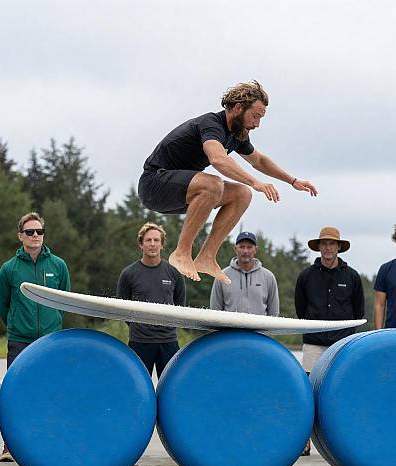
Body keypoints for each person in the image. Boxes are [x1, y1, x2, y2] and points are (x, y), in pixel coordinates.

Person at [139, 80, 317, 285]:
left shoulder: (237, 135)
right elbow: (218, 159)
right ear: (238, 108)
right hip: (154, 184)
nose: (257, 124)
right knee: (213, 184)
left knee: (242, 194)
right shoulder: (211, 124)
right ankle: (181, 253)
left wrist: (292, 180)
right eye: (255, 116)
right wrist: (255, 182)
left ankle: (206, 257)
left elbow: (259, 160)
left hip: (178, 192)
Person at [0, 212, 71, 462]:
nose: (35, 236)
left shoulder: (58, 265)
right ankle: (9, 446)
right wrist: (18, 325)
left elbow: (65, 300)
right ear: (20, 236)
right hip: (20, 340)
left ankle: (51, 441)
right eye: (30, 232)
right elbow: (2, 303)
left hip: (51, 341)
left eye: (39, 232)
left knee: (52, 390)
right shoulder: (9, 268)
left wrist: (53, 322)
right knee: (16, 393)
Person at [295, 226, 364, 455]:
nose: (327, 248)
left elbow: (358, 311)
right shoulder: (306, 275)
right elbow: (300, 308)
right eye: (324, 243)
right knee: (306, 390)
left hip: (342, 342)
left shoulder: (352, 276)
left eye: (332, 244)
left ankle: (346, 439)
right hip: (314, 340)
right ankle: (304, 439)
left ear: (338, 247)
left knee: (342, 389)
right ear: (319, 247)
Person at [117, 222, 186, 379]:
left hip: (168, 342)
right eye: (148, 240)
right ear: (141, 244)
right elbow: (122, 307)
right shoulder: (128, 274)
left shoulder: (174, 273)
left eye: (156, 240)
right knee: (137, 384)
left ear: (162, 245)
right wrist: (140, 325)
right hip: (139, 342)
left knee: (170, 386)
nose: (152, 244)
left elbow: (180, 305)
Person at [210, 231, 279, 316]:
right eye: (242, 247)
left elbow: (273, 312)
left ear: (256, 249)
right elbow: (215, 310)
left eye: (249, 247)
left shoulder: (268, 277)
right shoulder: (222, 276)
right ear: (235, 249)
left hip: (258, 329)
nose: (245, 251)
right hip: (230, 328)